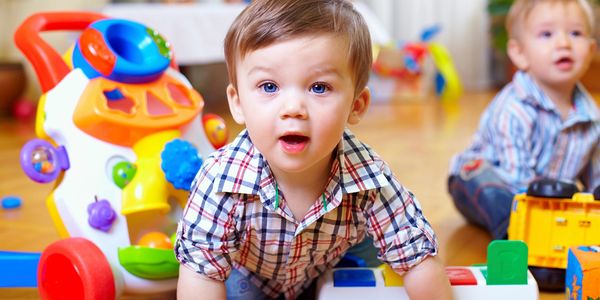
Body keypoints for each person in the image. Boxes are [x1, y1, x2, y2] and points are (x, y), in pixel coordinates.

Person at [175, 0, 452, 299]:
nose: (293, 108)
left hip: (332, 265)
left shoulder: (370, 177)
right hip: (247, 274)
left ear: (356, 106)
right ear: (238, 103)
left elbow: (418, 260)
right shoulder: (220, 181)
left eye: (319, 87)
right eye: (269, 87)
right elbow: (200, 275)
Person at [448, 0, 600, 240]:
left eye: (575, 33)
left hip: (551, 200)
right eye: (547, 34)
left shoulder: (591, 116)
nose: (564, 43)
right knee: (492, 191)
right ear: (519, 53)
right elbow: (515, 178)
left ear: (591, 51)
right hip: (488, 183)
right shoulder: (513, 109)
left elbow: (595, 176)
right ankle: (514, 236)